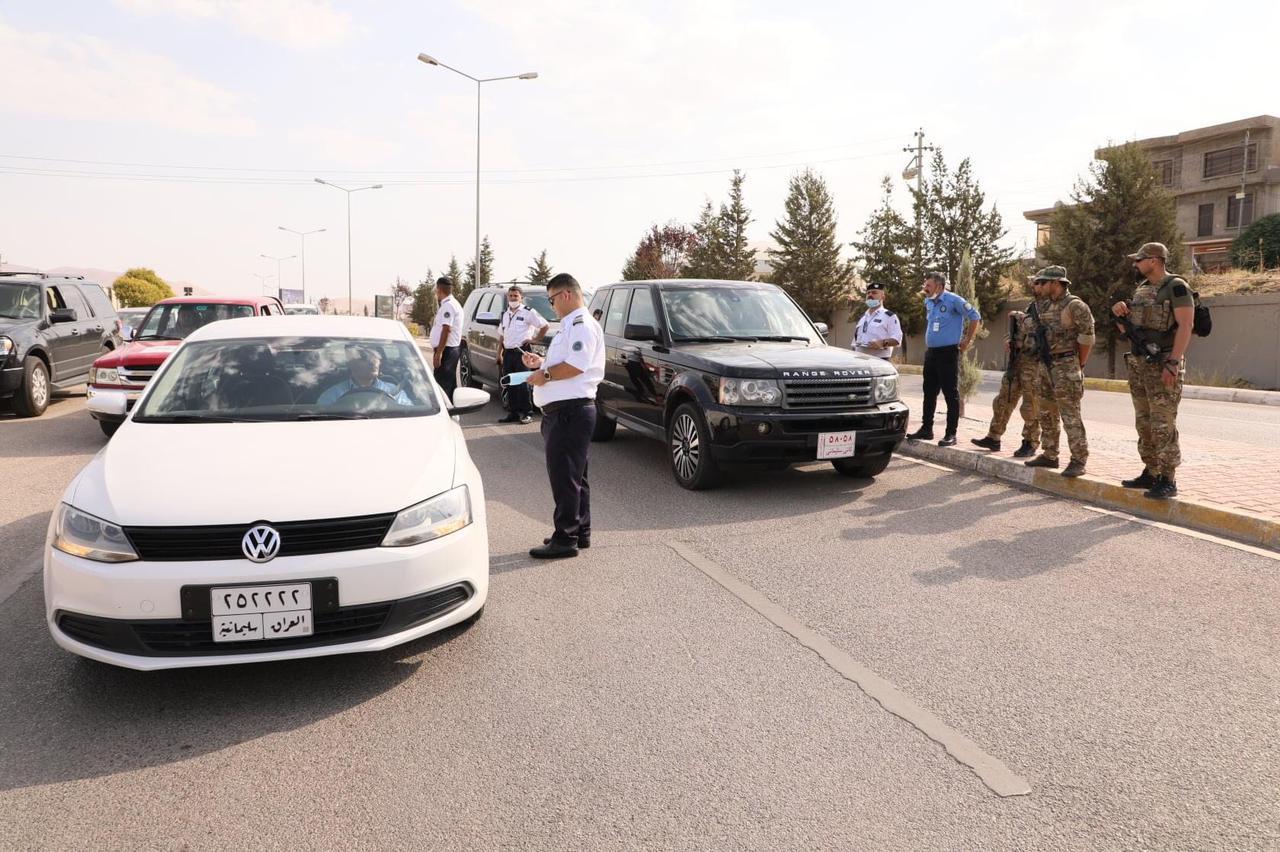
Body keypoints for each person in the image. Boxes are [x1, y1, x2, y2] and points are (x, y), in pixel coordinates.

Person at [520, 273, 605, 559]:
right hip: (568, 410)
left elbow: (577, 365)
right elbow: (566, 362)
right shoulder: (571, 325)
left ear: (566, 294)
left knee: (565, 477)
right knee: (575, 476)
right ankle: (579, 532)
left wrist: (544, 375)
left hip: (569, 412)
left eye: (552, 299)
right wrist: (542, 363)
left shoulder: (581, 325)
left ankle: (565, 538)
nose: (552, 306)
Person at [1112, 242, 1195, 500]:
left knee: (1162, 422)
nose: (1135, 264)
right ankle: (1151, 471)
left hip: (1163, 363)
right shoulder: (1142, 289)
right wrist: (1120, 314)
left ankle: (1168, 479)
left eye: (1139, 260)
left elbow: (1186, 325)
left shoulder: (1176, 286)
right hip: (1140, 363)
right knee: (1144, 421)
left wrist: (1173, 362)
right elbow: (1129, 331)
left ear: (1154, 260)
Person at [1023, 266, 1094, 478]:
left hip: (1066, 364)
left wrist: (1079, 364)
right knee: (1046, 412)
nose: (1039, 286)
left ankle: (1079, 459)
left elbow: (1087, 337)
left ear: (1056, 283)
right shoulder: (1042, 305)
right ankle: (1050, 453)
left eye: (1043, 282)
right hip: (1045, 364)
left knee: (1070, 414)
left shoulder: (1075, 306)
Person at [907, 271, 981, 446]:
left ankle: (951, 434)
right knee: (929, 392)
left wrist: (967, 340)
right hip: (931, 353)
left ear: (939, 286)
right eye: (925, 285)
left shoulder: (953, 300)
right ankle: (926, 429)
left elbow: (975, 316)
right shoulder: (929, 301)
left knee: (950, 394)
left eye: (928, 285)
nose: (925, 288)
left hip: (948, 353)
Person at [971, 290, 1045, 458]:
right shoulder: (1032, 306)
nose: (1037, 287)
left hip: (1034, 364)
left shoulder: (1051, 308)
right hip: (1017, 360)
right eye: (1036, 283)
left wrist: (1020, 316)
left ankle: (1030, 442)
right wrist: (1009, 340)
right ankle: (993, 437)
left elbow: (1040, 328)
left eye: (1041, 283)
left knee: (1030, 405)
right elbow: (1021, 331)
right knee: (1003, 400)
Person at [496, 284, 549, 425]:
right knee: (510, 383)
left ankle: (527, 413)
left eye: (516, 296)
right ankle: (513, 413)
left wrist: (535, 339)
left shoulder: (528, 312)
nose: (513, 298)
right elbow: (502, 335)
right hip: (508, 353)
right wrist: (499, 353)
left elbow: (545, 326)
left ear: (521, 298)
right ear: (507, 297)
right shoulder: (505, 314)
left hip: (522, 352)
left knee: (523, 383)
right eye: (511, 296)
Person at [318, 346, 411, 406]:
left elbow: (409, 414)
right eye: (365, 358)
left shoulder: (394, 392)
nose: (373, 362)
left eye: (376, 357)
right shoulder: (332, 395)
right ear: (351, 363)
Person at [429, 276, 464, 402]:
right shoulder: (452, 304)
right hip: (449, 349)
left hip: (447, 350)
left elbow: (446, 330)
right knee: (449, 383)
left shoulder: (448, 306)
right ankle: (452, 408)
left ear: (439, 289)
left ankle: (445, 409)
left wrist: (439, 353)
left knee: (442, 385)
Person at [852, 284, 902, 361]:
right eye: (868, 293)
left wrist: (882, 343)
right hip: (859, 359)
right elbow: (856, 340)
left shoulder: (889, 316)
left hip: (879, 360)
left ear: (883, 297)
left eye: (874, 293)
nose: (870, 295)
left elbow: (897, 339)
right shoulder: (863, 317)